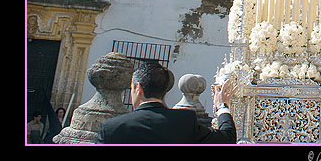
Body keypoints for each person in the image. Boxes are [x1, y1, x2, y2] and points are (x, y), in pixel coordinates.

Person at [96, 61, 237, 144]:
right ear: (165, 89)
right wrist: (221, 106)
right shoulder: (185, 121)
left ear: (138, 88)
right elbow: (227, 138)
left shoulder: (110, 128)